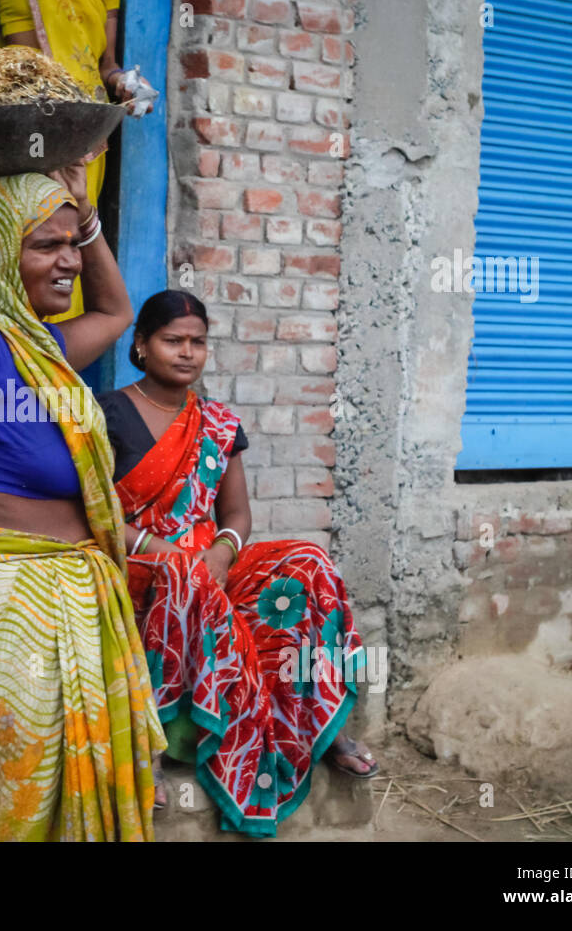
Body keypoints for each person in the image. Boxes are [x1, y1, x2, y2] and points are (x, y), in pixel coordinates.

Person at [0, 100, 164, 840]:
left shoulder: (41, 352)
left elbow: (116, 312)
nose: (69, 262)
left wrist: (82, 210)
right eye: (47, 245)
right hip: (7, 607)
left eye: (70, 245)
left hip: (78, 590)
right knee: (14, 816)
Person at [97, 289, 378, 838]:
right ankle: (148, 753)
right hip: (140, 567)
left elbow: (237, 513)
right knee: (183, 577)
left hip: (211, 559)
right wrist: (168, 554)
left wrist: (222, 554)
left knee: (309, 562)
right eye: (171, 340)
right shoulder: (107, 414)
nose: (186, 352)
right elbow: (96, 511)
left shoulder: (219, 424)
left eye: (197, 342)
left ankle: (322, 725)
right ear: (140, 345)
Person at [0, 0, 151, 321]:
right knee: (16, 248)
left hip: (80, 137)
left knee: (65, 245)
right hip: (19, 130)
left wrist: (126, 83)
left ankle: (54, 361)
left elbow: (106, 64)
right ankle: (4, 354)